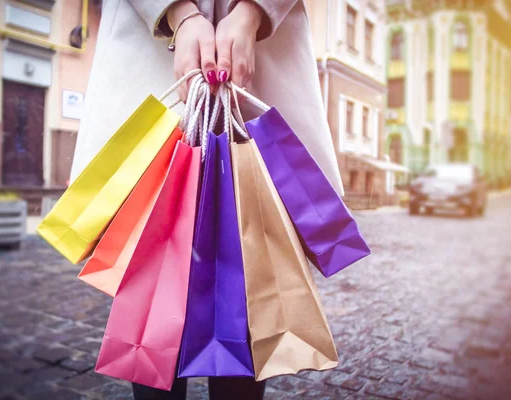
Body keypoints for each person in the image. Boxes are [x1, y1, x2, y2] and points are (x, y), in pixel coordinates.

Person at [70, 1, 344, 399]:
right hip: (153, 57)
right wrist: (178, 13)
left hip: (260, 58)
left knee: (252, 289)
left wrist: (253, 12)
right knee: (153, 293)